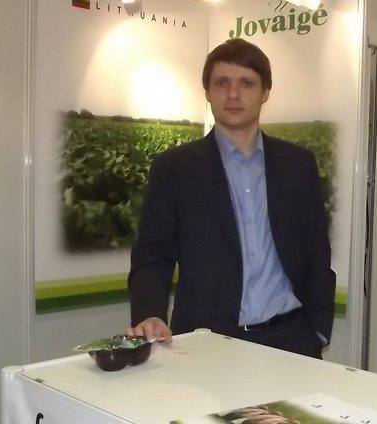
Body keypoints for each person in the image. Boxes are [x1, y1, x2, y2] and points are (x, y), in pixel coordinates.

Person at [126, 38, 336, 358]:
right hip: (207, 342)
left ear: (265, 92)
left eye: (246, 83)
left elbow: (316, 252)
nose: (233, 94)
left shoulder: (298, 165)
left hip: (292, 340)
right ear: (208, 92)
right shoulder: (174, 169)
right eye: (222, 83)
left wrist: (317, 331)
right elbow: (152, 254)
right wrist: (150, 313)